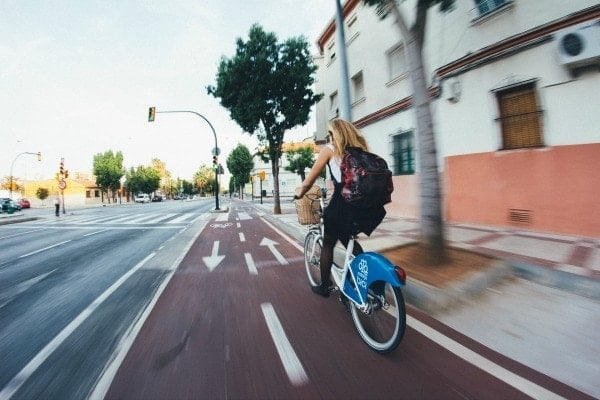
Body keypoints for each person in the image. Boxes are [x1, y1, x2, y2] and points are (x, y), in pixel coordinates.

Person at [294, 119, 386, 297]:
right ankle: (363, 278)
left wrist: (299, 193)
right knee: (349, 240)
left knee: (328, 243)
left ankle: (324, 287)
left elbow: (310, 179)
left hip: (342, 205)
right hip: (365, 207)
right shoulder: (360, 151)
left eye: (329, 134)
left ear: (335, 134)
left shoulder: (329, 150)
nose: (328, 137)